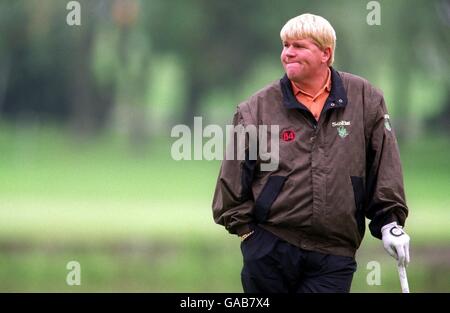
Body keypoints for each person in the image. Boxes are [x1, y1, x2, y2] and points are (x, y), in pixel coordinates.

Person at [211, 13, 410, 293]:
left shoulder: (366, 99)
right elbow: (231, 184)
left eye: (298, 46)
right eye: (285, 45)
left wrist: (390, 223)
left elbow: (384, 166)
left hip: (335, 253)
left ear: (326, 53)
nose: (288, 53)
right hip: (270, 249)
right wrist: (248, 234)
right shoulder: (255, 108)